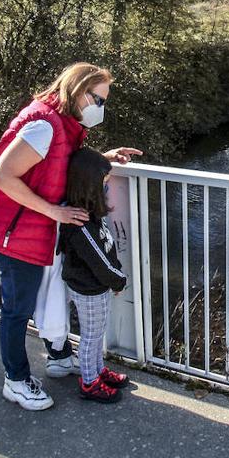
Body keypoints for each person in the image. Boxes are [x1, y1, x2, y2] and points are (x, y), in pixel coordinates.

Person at [0, 62, 141, 411]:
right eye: (98, 100)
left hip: (34, 228)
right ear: (77, 91)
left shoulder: (64, 125)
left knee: (49, 295)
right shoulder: (44, 125)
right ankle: (16, 381)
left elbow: (56, 166)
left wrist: (104, 159)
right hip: (13, 231)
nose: (101, 109)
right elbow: (3, 177)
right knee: (17, 309)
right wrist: (55, 212)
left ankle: (58, 358)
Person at [59, 147, 129, 403]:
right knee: (91, 337)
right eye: (104, 182)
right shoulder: (80, 223)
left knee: (96, 332)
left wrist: (114, 274)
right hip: (89, 287)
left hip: (94, 285)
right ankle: (89, 383)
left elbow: (104, 250)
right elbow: (98, 259)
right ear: (89, 184)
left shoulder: (88, 214)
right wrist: (118, 279)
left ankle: (97, 371)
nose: (106, 187)